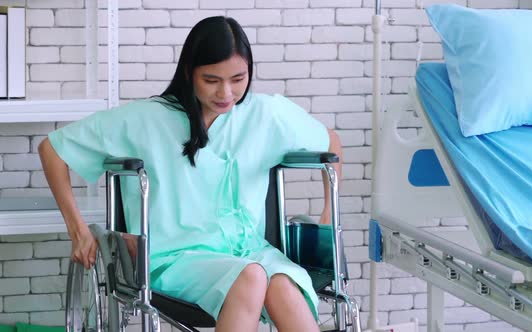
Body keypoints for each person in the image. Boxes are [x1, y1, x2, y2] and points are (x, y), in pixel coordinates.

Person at [38, 16, 342, 332]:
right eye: (211, 80)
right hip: (175, 258)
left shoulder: (266, 114)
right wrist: (78, 231)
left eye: (238, 79)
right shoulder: (146, 119)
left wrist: (326, 214)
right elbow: (53, 149)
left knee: (285, 287)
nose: (226, 92)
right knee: (251, 277)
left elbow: (331, 142)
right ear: (189, 72)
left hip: (251, 252)